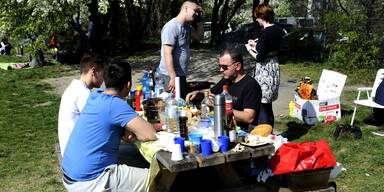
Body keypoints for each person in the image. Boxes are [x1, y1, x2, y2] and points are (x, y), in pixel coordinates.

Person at [62, 61, 157, 191]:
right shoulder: (115, 104)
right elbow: (149, 134)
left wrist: (124, 129)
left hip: (70, 174)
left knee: (136, 158)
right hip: (91, 181)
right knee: (157, 178)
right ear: (128, 85)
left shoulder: (95, 95)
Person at [186, 48, 262, 131]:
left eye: (224, 67)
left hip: (243, 131)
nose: (221, 70)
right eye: (220, 66)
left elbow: (249, 117)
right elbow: (211, 91)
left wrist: (218, 107)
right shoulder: (227, 79)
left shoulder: (250, 85)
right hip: (225, 127)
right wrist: (198, 92)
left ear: (237, 66)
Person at [58, 52, 109, 157]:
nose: (104, 79)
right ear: (93, 71)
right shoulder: (83, 94)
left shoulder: (75, 87)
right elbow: (100, 125)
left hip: (71, 150)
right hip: (77, 156)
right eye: (103, 74)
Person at [245, 4, 284, 127]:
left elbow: (260, 57)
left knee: (262, 103)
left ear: (262, 16)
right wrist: (256, 45)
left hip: (265, 70)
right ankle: (270, 133)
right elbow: (269, 47)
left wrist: (249, 50)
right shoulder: (278, 30)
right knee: (268, 103)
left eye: (257, 17)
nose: (256, 19)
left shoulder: (265, 32)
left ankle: (264, 134)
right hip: (274, 66)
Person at [158, 1, 204, 99]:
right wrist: (173, 77)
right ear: (186, 8)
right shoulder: (172, 26)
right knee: (170, 105)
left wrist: (200, 20)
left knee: (181, 104)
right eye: (195, 10)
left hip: (180, 75)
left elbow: (199, 37)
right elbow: (167, 53)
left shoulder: (187, 27)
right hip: (169, 76)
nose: (196, 14)